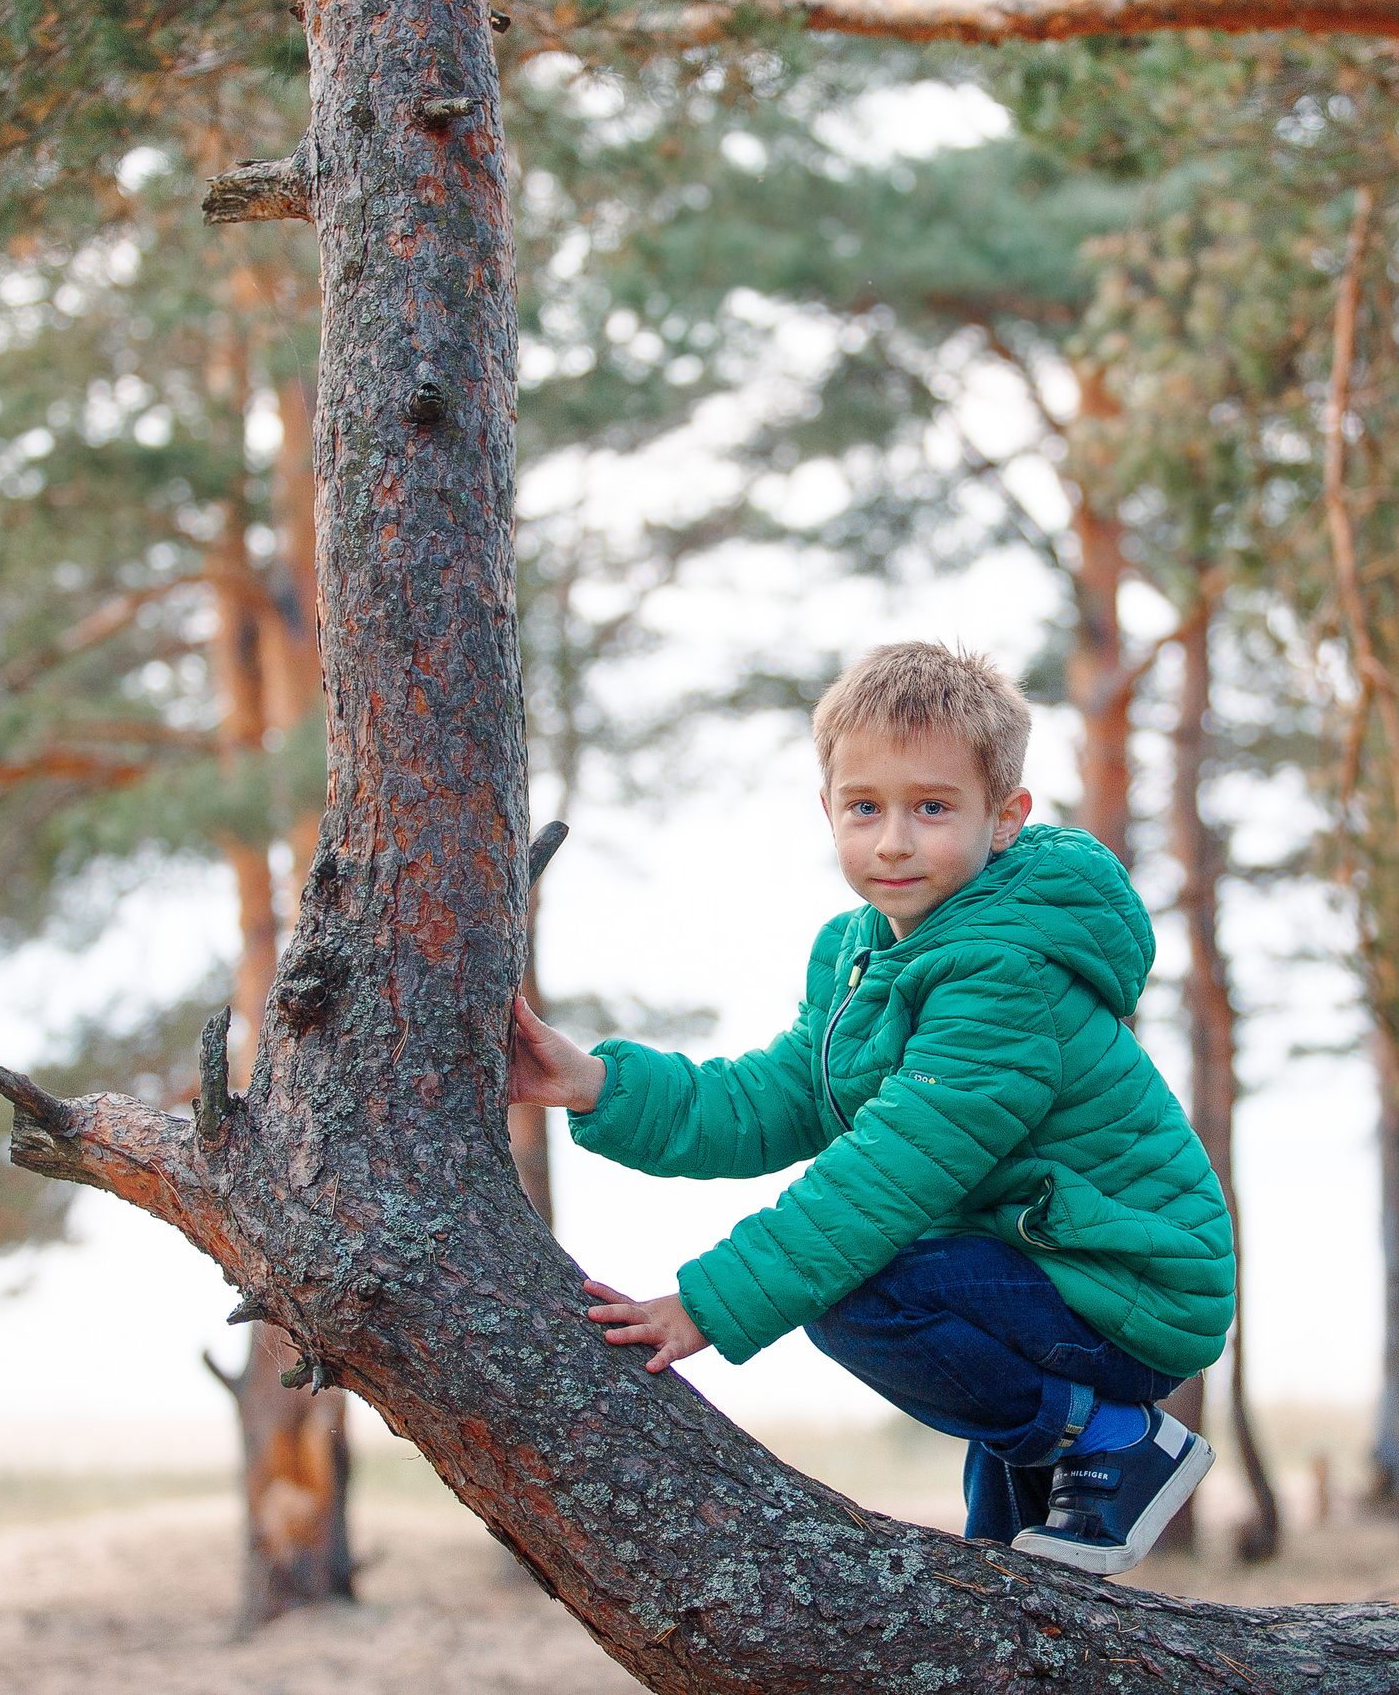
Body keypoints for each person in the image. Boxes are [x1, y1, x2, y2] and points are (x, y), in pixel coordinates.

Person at [506, 640, 1233, 1576]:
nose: (894, 839)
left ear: (1004, 817)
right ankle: (1079, 1453)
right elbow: (779, 1098)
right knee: (1014, 1580)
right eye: (866, 808)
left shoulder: (1004, 976)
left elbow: (886, 1173)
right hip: (1026, 1270)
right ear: (829, 812)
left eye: (932, 807)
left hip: (1124, 1286)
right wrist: (595, 1083)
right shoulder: (860, 952)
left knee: (854, 1284)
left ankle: (1112, 1437)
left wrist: (705, 1304)